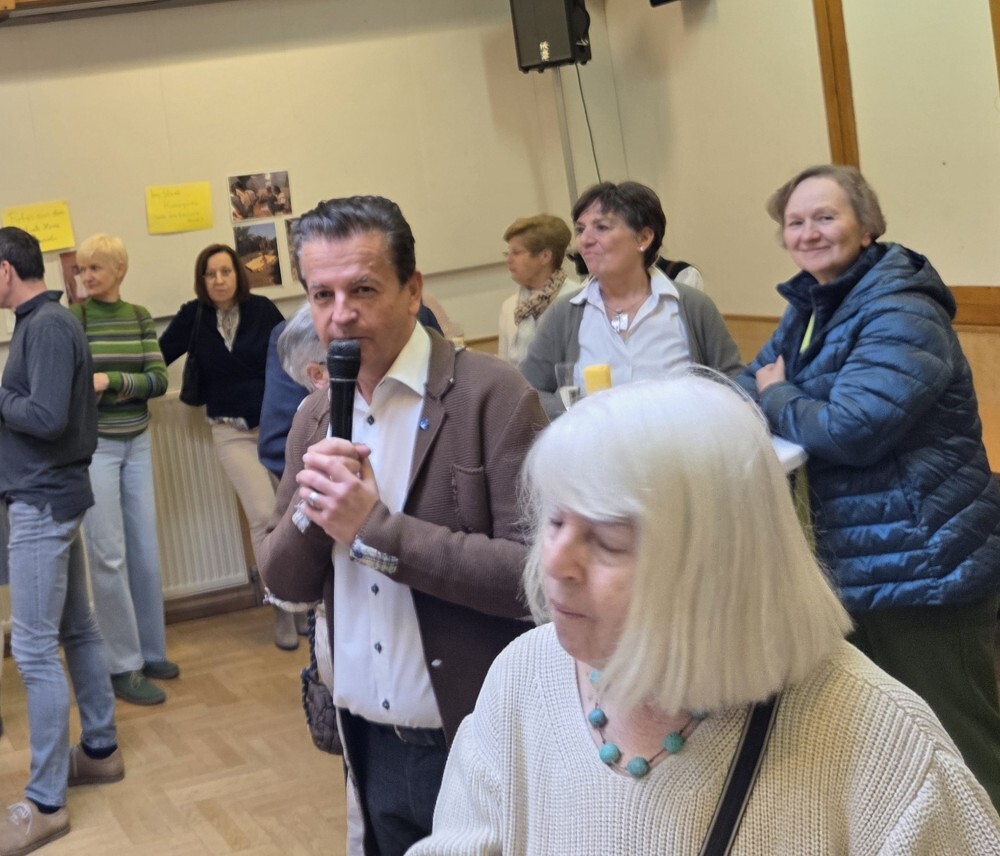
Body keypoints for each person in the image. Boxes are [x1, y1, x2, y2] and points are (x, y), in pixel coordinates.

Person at [410, 376, 1000, 855]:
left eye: (608, 541)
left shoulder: (881, 742)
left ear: (715, 568)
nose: (555, 562)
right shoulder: (523, 677)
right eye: (557, 521)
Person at [258, 195, 547, 856]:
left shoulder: (492, 395)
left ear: (413, 289)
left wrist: (375, 531)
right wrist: (314, 511)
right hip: (368, 742)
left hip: (473, 737)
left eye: (362, 289)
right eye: (322, 295)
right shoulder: (313, 417)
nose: (340, 314)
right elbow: (283, 582)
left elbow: (534, 580)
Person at [735, 163, 1000, 809]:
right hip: (863, 559)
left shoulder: (901, 307)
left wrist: (778, 395)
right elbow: (753, 379)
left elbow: (853, 428)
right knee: (891, 745)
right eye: (795, 222)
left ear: (867, 225)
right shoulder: (813, 304)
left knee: (958, 743)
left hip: (924, 564)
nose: (808, 232)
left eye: (825, 217)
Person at [0, 227, 124, 856]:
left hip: (42, 502)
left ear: (4, 271)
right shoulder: (44, 322)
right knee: (76, 629)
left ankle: (46, 803)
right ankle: (99, 750)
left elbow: (46, 418)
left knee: (33, 649)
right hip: (52, 496)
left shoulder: (45, 327)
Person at [158, 244, 295, 649]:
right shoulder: (194, 316)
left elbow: (294, 354)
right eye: (210, 273)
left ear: (238, 274)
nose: (218, 280)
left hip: (277, 428)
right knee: (263, 516)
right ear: (201, 280)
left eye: (225, 271)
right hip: (230, 432)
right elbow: (156, 356)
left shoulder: (263, 310)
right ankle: (281, 606)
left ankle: (305, 599)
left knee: (295, 513)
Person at [521, 181, 741, 419]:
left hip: (681, 440)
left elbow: (735, 382)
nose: (585, 240)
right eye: (581, 230)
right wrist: (573, 412)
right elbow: (527, 390)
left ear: (643, 238)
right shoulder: (565, 313)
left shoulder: (692, 306)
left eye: (601, 227)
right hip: (593, 442)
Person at [69, 233, 179, 707]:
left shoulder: (138, 316)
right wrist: (112, 385)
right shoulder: (75, 320)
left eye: (95, 268)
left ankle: (151, 653)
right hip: (96, 448)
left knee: (144, 553)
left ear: (119, 270)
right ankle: (122, 664)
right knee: (108, 556)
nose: (86, 277)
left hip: (139, 442)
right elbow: (74, 383)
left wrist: (111, 380)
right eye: (81, 269)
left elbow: (159, 380)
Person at [259, 302, 442, 480]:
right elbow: (288, 496)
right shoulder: (306, 423)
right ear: (319, 375)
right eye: (357, 359)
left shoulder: (433, 400)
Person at [497, 214, 578, 366]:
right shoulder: (509, 306)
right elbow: (504, 367)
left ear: (545, 256)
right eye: (507, 253)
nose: (508, 260)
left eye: (517, 252)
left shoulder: (576, 300)